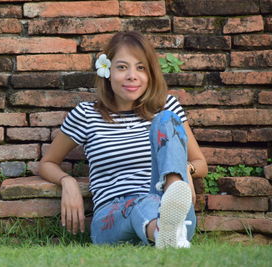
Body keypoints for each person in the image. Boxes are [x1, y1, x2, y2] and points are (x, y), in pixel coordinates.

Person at [39, 31, 208, 248]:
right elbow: (47, 163)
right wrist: (67, 181)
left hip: (174, 212)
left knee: (166, 119)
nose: (132, 75)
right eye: (122, 67)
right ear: (107, 71)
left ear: (150, 74)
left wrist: (186, 170)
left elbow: (200, 163)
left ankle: (171, 204)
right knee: (141, 204)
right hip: (113, 216)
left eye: (140, 67)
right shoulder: (86, 115)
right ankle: (164, 233)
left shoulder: (167, 107)